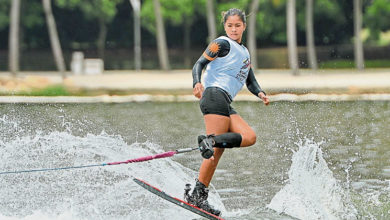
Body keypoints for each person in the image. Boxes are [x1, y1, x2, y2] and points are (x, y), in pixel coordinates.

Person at [184, 8, 270, 216]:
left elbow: (250, 80)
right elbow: (199, 64)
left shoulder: (245, 52)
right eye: (230, 25)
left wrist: (260, 93)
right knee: (214, 149)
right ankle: (197, 195)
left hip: (225, 102)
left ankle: (208, 147)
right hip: (214, 95)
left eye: (237, 25)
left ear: (244, 27)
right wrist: (196, 83)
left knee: (249, 136)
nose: (233, 29)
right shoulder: (221, 44)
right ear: (225, 26)